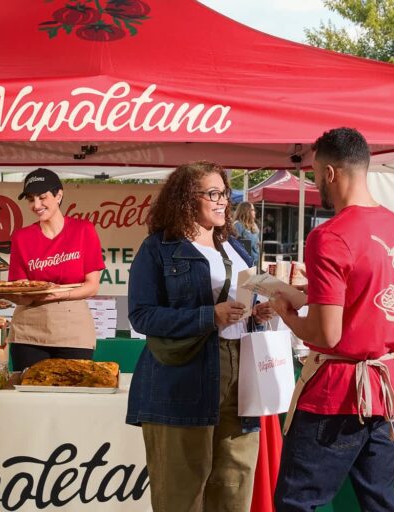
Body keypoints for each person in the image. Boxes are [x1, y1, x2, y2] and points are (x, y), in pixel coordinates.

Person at [269, 128, 394, 512]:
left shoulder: (330, 235)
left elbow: (327, 334)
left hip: (337, 394)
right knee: (380, 501)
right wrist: (310, 298)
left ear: (331, 174)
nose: (315, 181)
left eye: (315, 172)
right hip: (386, 389)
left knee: (297, 502)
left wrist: (287, 314)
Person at [126, 161, 274, 512]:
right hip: (183, 375)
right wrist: (210, 315)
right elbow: (142, 315)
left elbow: (240, 300)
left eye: (225, 193)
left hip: (240, 374)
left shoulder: (236, 249)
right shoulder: (158, 248)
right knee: (182, 491)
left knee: (234, 483)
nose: (223, 201)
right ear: (185, 199)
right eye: (213, 193)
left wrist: (257, 312)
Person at [6, 168, 105, 370]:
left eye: (42, 198)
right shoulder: (21, 237)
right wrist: (10, 294)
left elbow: (92, 286)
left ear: (59, 195)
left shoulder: (83, 230)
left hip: (74, 329)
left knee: (73, 394)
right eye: (31, 199)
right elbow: (21, 290)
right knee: (28, 393)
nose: (36, 205)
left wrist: (59, 294)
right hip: (29, 329)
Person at [233, 201, 261, 265]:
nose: (254, 212)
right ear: (246, 211)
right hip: (244, 263)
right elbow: (234, 245)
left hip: (255, 262)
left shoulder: (254, 225)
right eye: (252, 210)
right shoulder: (238, 225)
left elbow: (255, 244)